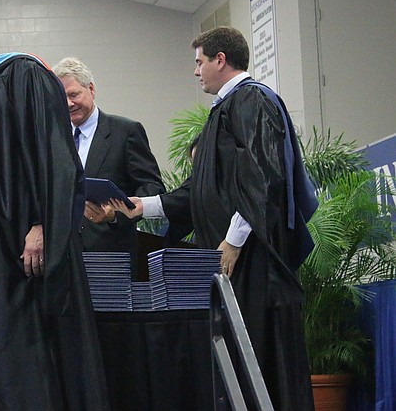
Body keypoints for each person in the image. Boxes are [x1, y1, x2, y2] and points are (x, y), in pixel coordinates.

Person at [112, 26, 317, 410]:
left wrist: (234, 241)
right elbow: (201, 191)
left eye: (199, 62)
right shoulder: (224, 111)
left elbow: (263, 176)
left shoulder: (252, 100)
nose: (196, 71)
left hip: (253, 261)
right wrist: (143, 206)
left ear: (220, 60)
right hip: (227, 261)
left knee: (258, 360)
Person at [0, 0, 110, 410]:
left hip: (25, 262)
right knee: (2, 373)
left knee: (34, 369)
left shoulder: (22, 75)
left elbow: (56, 159)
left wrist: (44, 225)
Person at [53, 57, 165, 269]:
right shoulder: (54, 138)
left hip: (110, 255)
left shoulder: (125, 132)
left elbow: (152, 187)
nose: (68, 103)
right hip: (63, 257)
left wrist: (116, 214)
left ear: (91, 89)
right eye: (61, 97)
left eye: (74, 94)